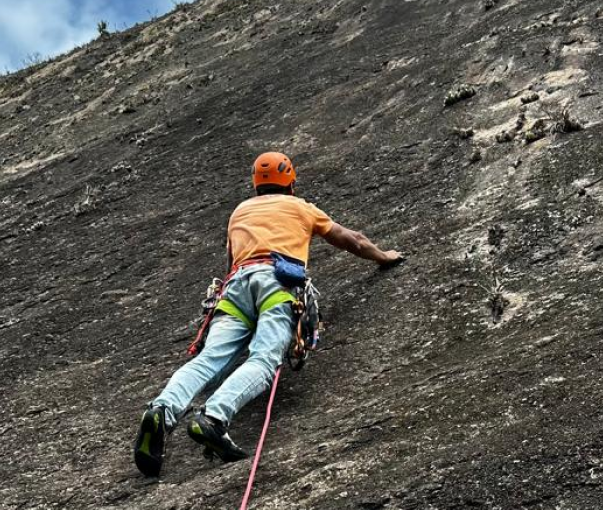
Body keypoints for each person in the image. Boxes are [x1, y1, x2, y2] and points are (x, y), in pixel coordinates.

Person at [133, 151, 402, 475]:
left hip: (235, 288)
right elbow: (352, 240)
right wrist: (384, 257)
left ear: (255, 183)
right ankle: (213, 418)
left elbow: (232, 258)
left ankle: (162, 409)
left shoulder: (240, 212)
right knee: (263, 359)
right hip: (277, 283)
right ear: (290, 182)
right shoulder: (300, 207)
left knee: (208, 361)